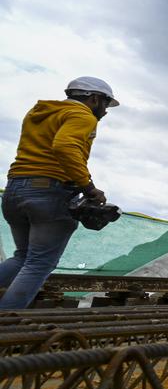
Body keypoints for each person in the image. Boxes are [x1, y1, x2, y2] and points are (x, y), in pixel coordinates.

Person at [1, 77, 119, 309]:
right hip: (49, 193)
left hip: (15, 189)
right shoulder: (83, 115)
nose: (105, 112)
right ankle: (5, 327)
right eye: (105, 104)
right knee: (38, 263)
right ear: (94, 98)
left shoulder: (39, 113)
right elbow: (64, 146)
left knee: (22, 257)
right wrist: (88, 187)